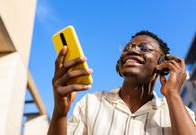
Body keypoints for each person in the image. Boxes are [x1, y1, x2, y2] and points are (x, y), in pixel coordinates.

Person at [47, 31, 196, 135]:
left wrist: (173, 94)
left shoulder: (179, 113)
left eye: (143, 48)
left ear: (163, 64)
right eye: (127, 48)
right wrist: (60, 114)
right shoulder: (90, 103)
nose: (132, 50)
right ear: (119, 64)